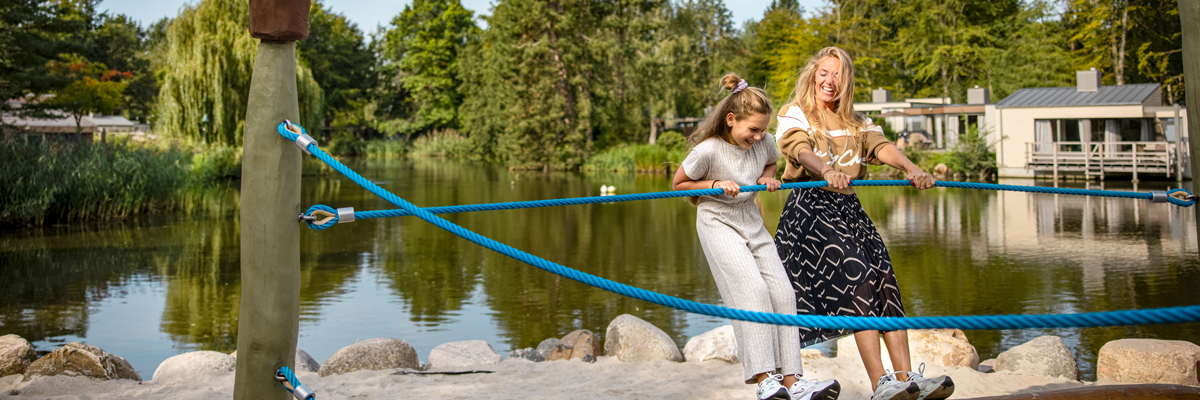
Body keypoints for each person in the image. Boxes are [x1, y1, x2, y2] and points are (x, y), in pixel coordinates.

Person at [772, 47, 955, 400]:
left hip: (848, 206)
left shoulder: (857, 122)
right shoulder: (795, 113)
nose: (830, 81)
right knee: (859, 275)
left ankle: (906, 380)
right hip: (811, 208)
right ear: (813, 75)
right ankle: (880, 383)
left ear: (847, 81)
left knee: (885, 277)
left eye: (838, 75)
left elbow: (882, 146)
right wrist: (826, 171)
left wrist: (913, 169)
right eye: (824, 73)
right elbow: (798, 150)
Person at [673, 72, 840, 400]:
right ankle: (765, 379)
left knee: (782, 293)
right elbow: (679, 184)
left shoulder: (763, 142)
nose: (760, 136)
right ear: (732, 120)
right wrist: (713, 184)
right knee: (752, 291)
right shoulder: (707, 151)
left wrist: (767, 178)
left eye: (764, 130)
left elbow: (771, 160)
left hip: (751, 221)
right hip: (717, 222)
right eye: (753, 129)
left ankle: (792, 381)